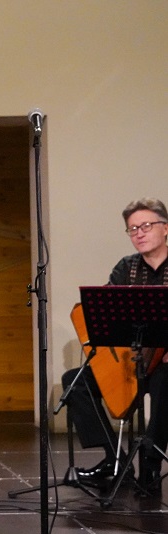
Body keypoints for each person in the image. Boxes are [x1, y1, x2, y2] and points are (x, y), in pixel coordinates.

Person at [63, 197, 168, 496]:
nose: (139, 233)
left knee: (165, 382)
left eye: (146, 226)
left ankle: (151, 463)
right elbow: (106, 314)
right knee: (74, 382)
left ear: (165, 228)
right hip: (130, 359)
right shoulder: (125, 267)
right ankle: (115, 460)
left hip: (164, 363)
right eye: (132, 229)